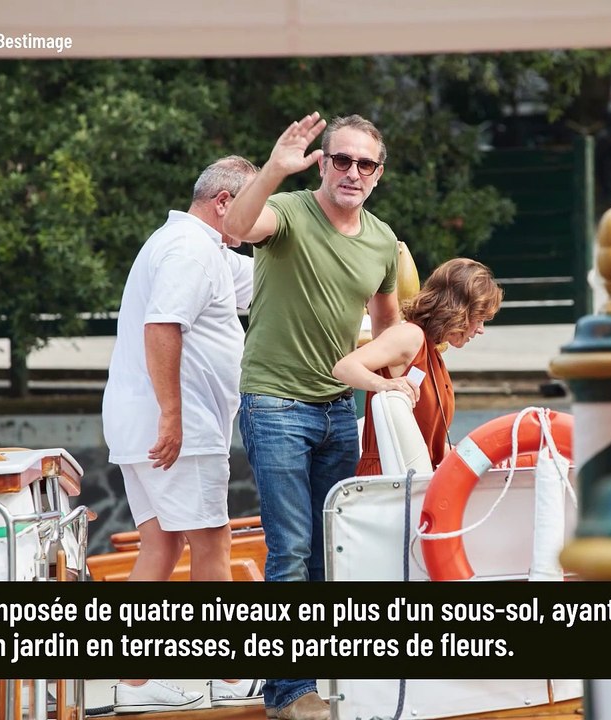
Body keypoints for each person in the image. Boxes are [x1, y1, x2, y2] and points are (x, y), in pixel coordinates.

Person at [224, 112, 400, 720]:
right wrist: (275, 166)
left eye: (365, 163)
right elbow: (235, 224)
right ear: (322, 163)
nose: (352, 171)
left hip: (337, 409)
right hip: (274, 403)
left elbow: (386, 325)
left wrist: (399, 383)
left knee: (335, 551)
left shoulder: (381, 240)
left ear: (378, 174)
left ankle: (320, 678)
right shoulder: (291, 212)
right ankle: (288, 692)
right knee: (292, 551)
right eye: (341, 159)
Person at [101, 156, 263, 714]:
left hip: (143, 420)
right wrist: (173, 414)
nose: (257, 221)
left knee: (162, 545)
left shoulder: (205, 248)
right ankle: (217, 675)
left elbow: (271, 283)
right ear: (224, 203)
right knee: (212, 544)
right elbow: (162, 326)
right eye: (252, 206)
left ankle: (136, 682)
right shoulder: (191, 250)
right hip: (177, 424)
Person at [332, 258, 503, 474]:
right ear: (458, 309)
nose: (480, 329)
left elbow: (430, 447)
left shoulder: (432, 351)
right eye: (479, 318)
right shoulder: (410, 336)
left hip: (413, 480)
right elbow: (344, 368)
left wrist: (487, 459)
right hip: (388, 482)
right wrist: (383, 384)